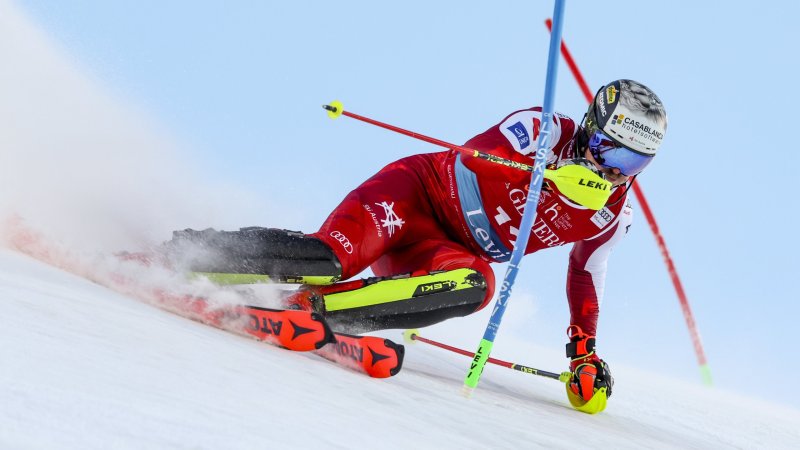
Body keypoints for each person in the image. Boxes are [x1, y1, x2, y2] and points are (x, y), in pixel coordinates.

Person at [168, 79, 667, 405]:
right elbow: (473, 156)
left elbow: (585, 273)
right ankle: (190, 255)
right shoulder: (542, 129)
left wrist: (583, 352)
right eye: (607, 151)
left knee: (477, 285)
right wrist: (544, 173)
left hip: (444, 250)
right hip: (414, 197)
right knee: (330, 259)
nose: (612, 171)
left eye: (631, 163)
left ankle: (311, 308)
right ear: (589, 129)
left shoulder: (613, 213)